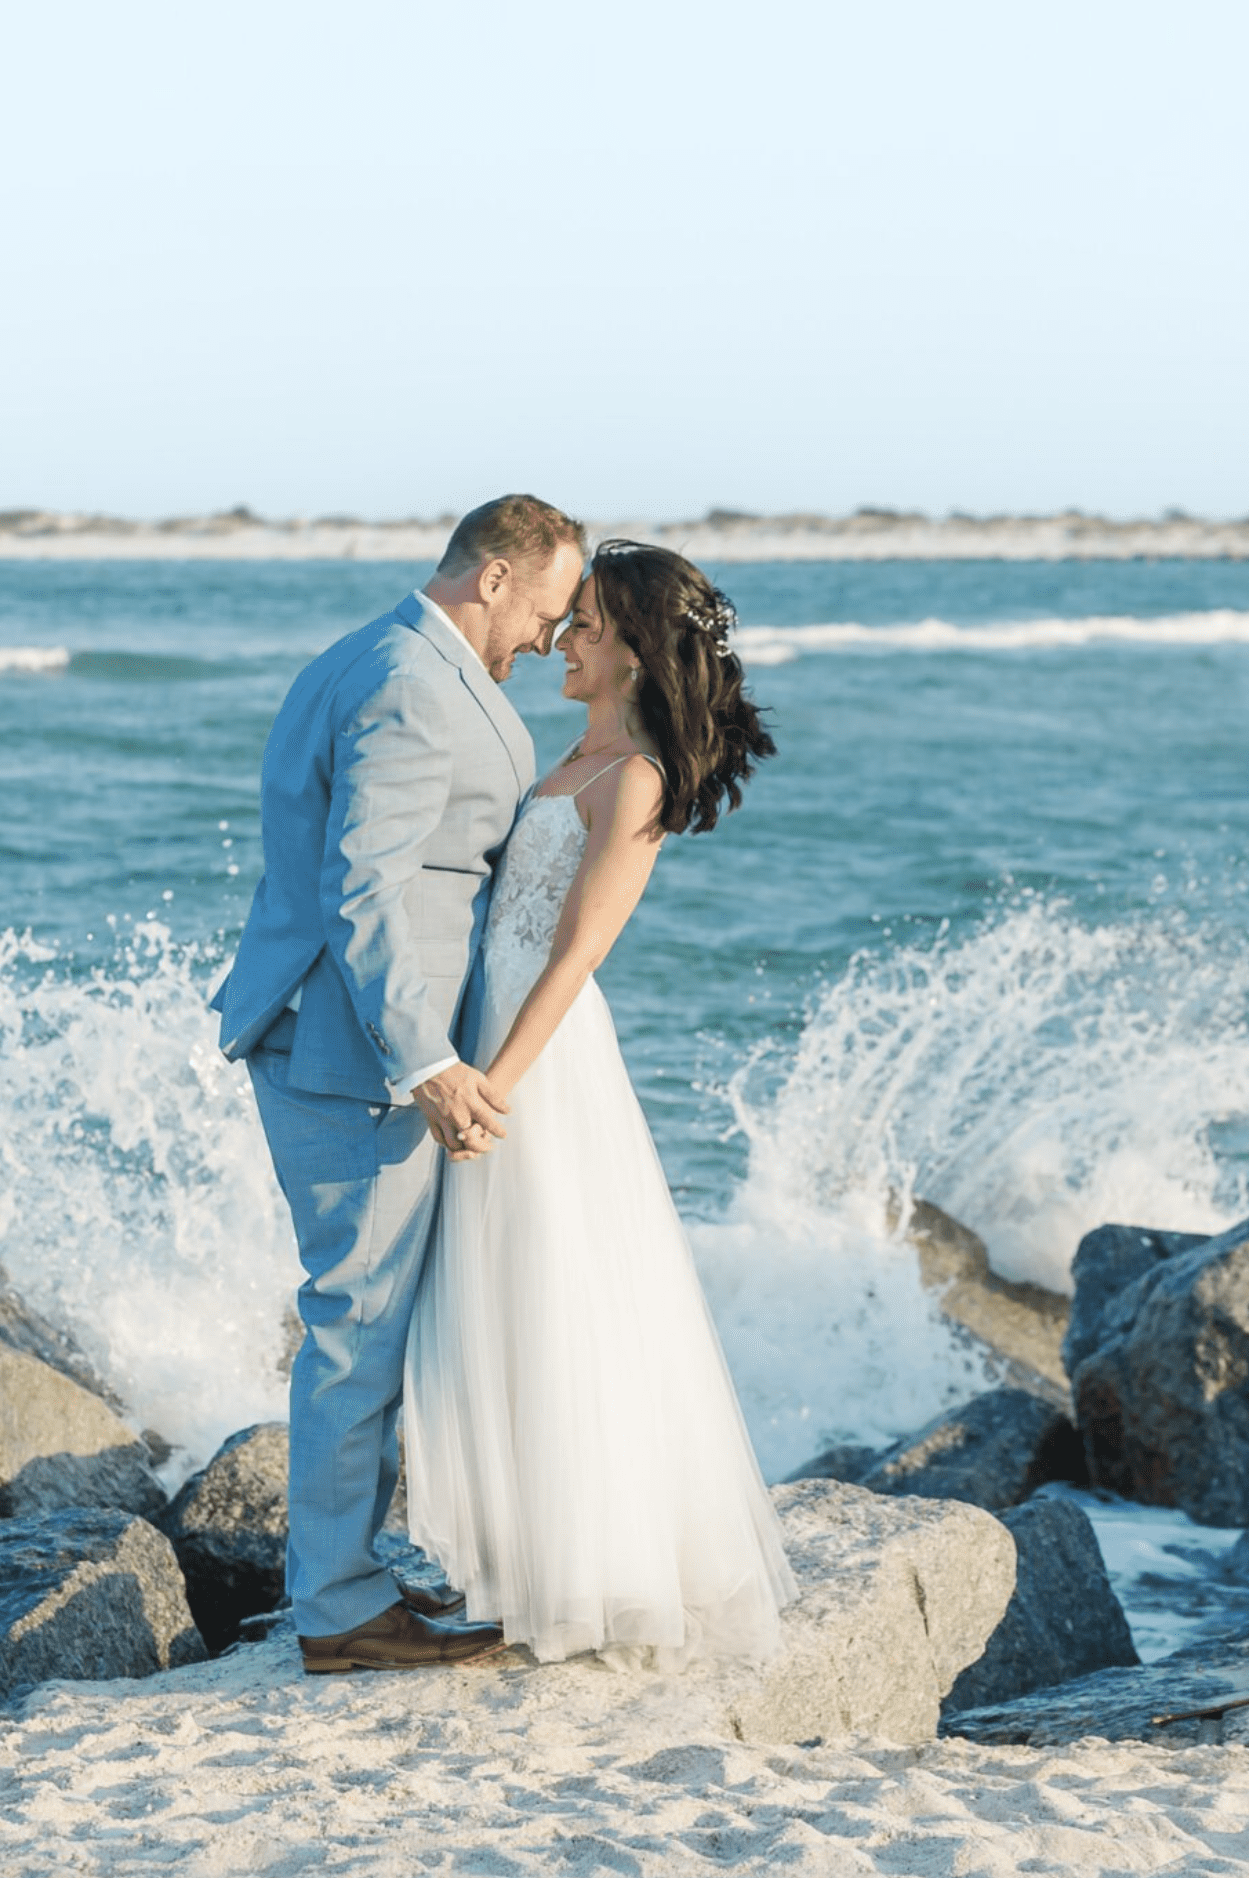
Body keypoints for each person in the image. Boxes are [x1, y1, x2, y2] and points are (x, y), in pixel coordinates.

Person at [403, 538, 794, 1667]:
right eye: (567, 621)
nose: (562, 638)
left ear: (629, 649)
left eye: (583, 625)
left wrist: (494, 1089)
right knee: (492, 1305)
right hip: (487, 1035)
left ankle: (573, 1578)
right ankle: (509, 1572)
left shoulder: (636, 779)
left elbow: (574, 954)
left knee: (548, 1300)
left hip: (539, 1060)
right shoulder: (565, 754)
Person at [212, 493, 585, 1673]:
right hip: (352, 1052)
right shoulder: (408, 683)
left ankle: (354, 1580)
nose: (546, 635)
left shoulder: (384, 655)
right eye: (546, 608)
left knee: (363, 1323)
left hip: (353, 1039)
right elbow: (364, 888)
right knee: (353, 1323)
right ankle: (333, 1609)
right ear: (492, 578)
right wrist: (423, 1060)